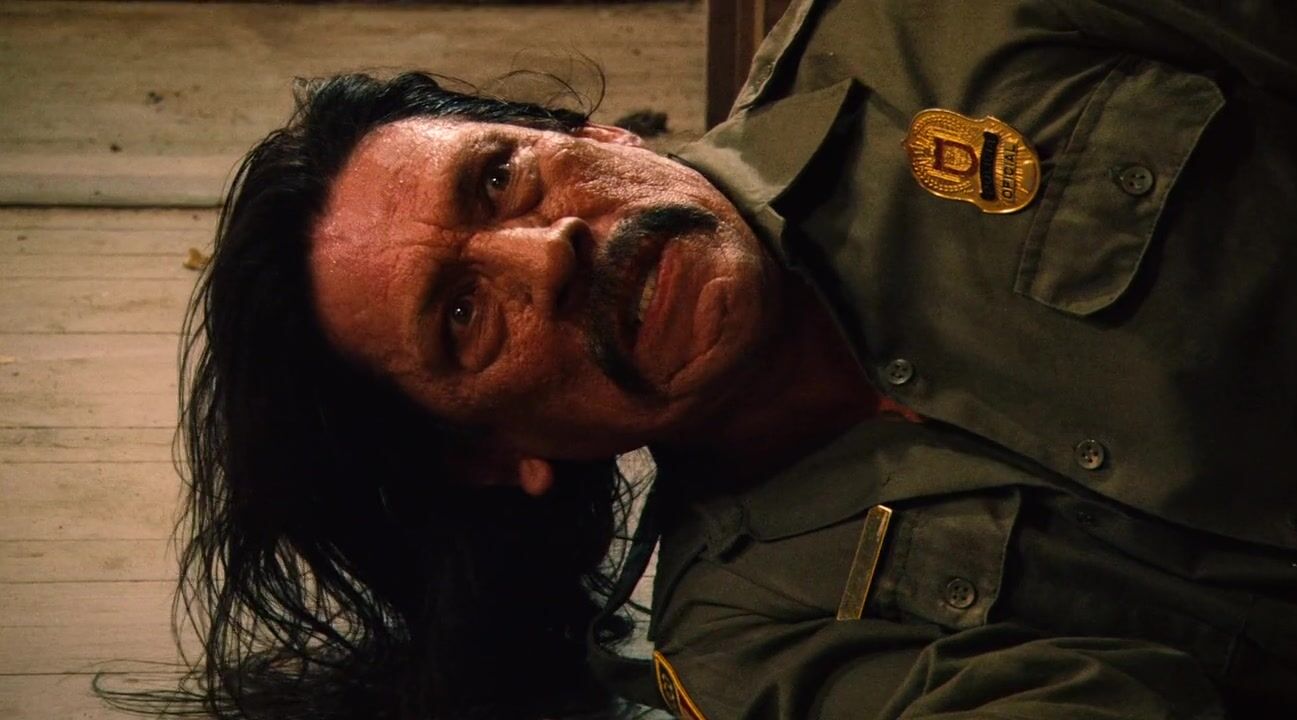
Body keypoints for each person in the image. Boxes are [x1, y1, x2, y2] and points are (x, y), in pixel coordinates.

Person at [158, 0, 1297, 718]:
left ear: (594, 134)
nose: (547, 252)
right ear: (493, 457)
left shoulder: (924, 31)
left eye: (500, 177)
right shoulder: (753, 652)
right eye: (461, 314)